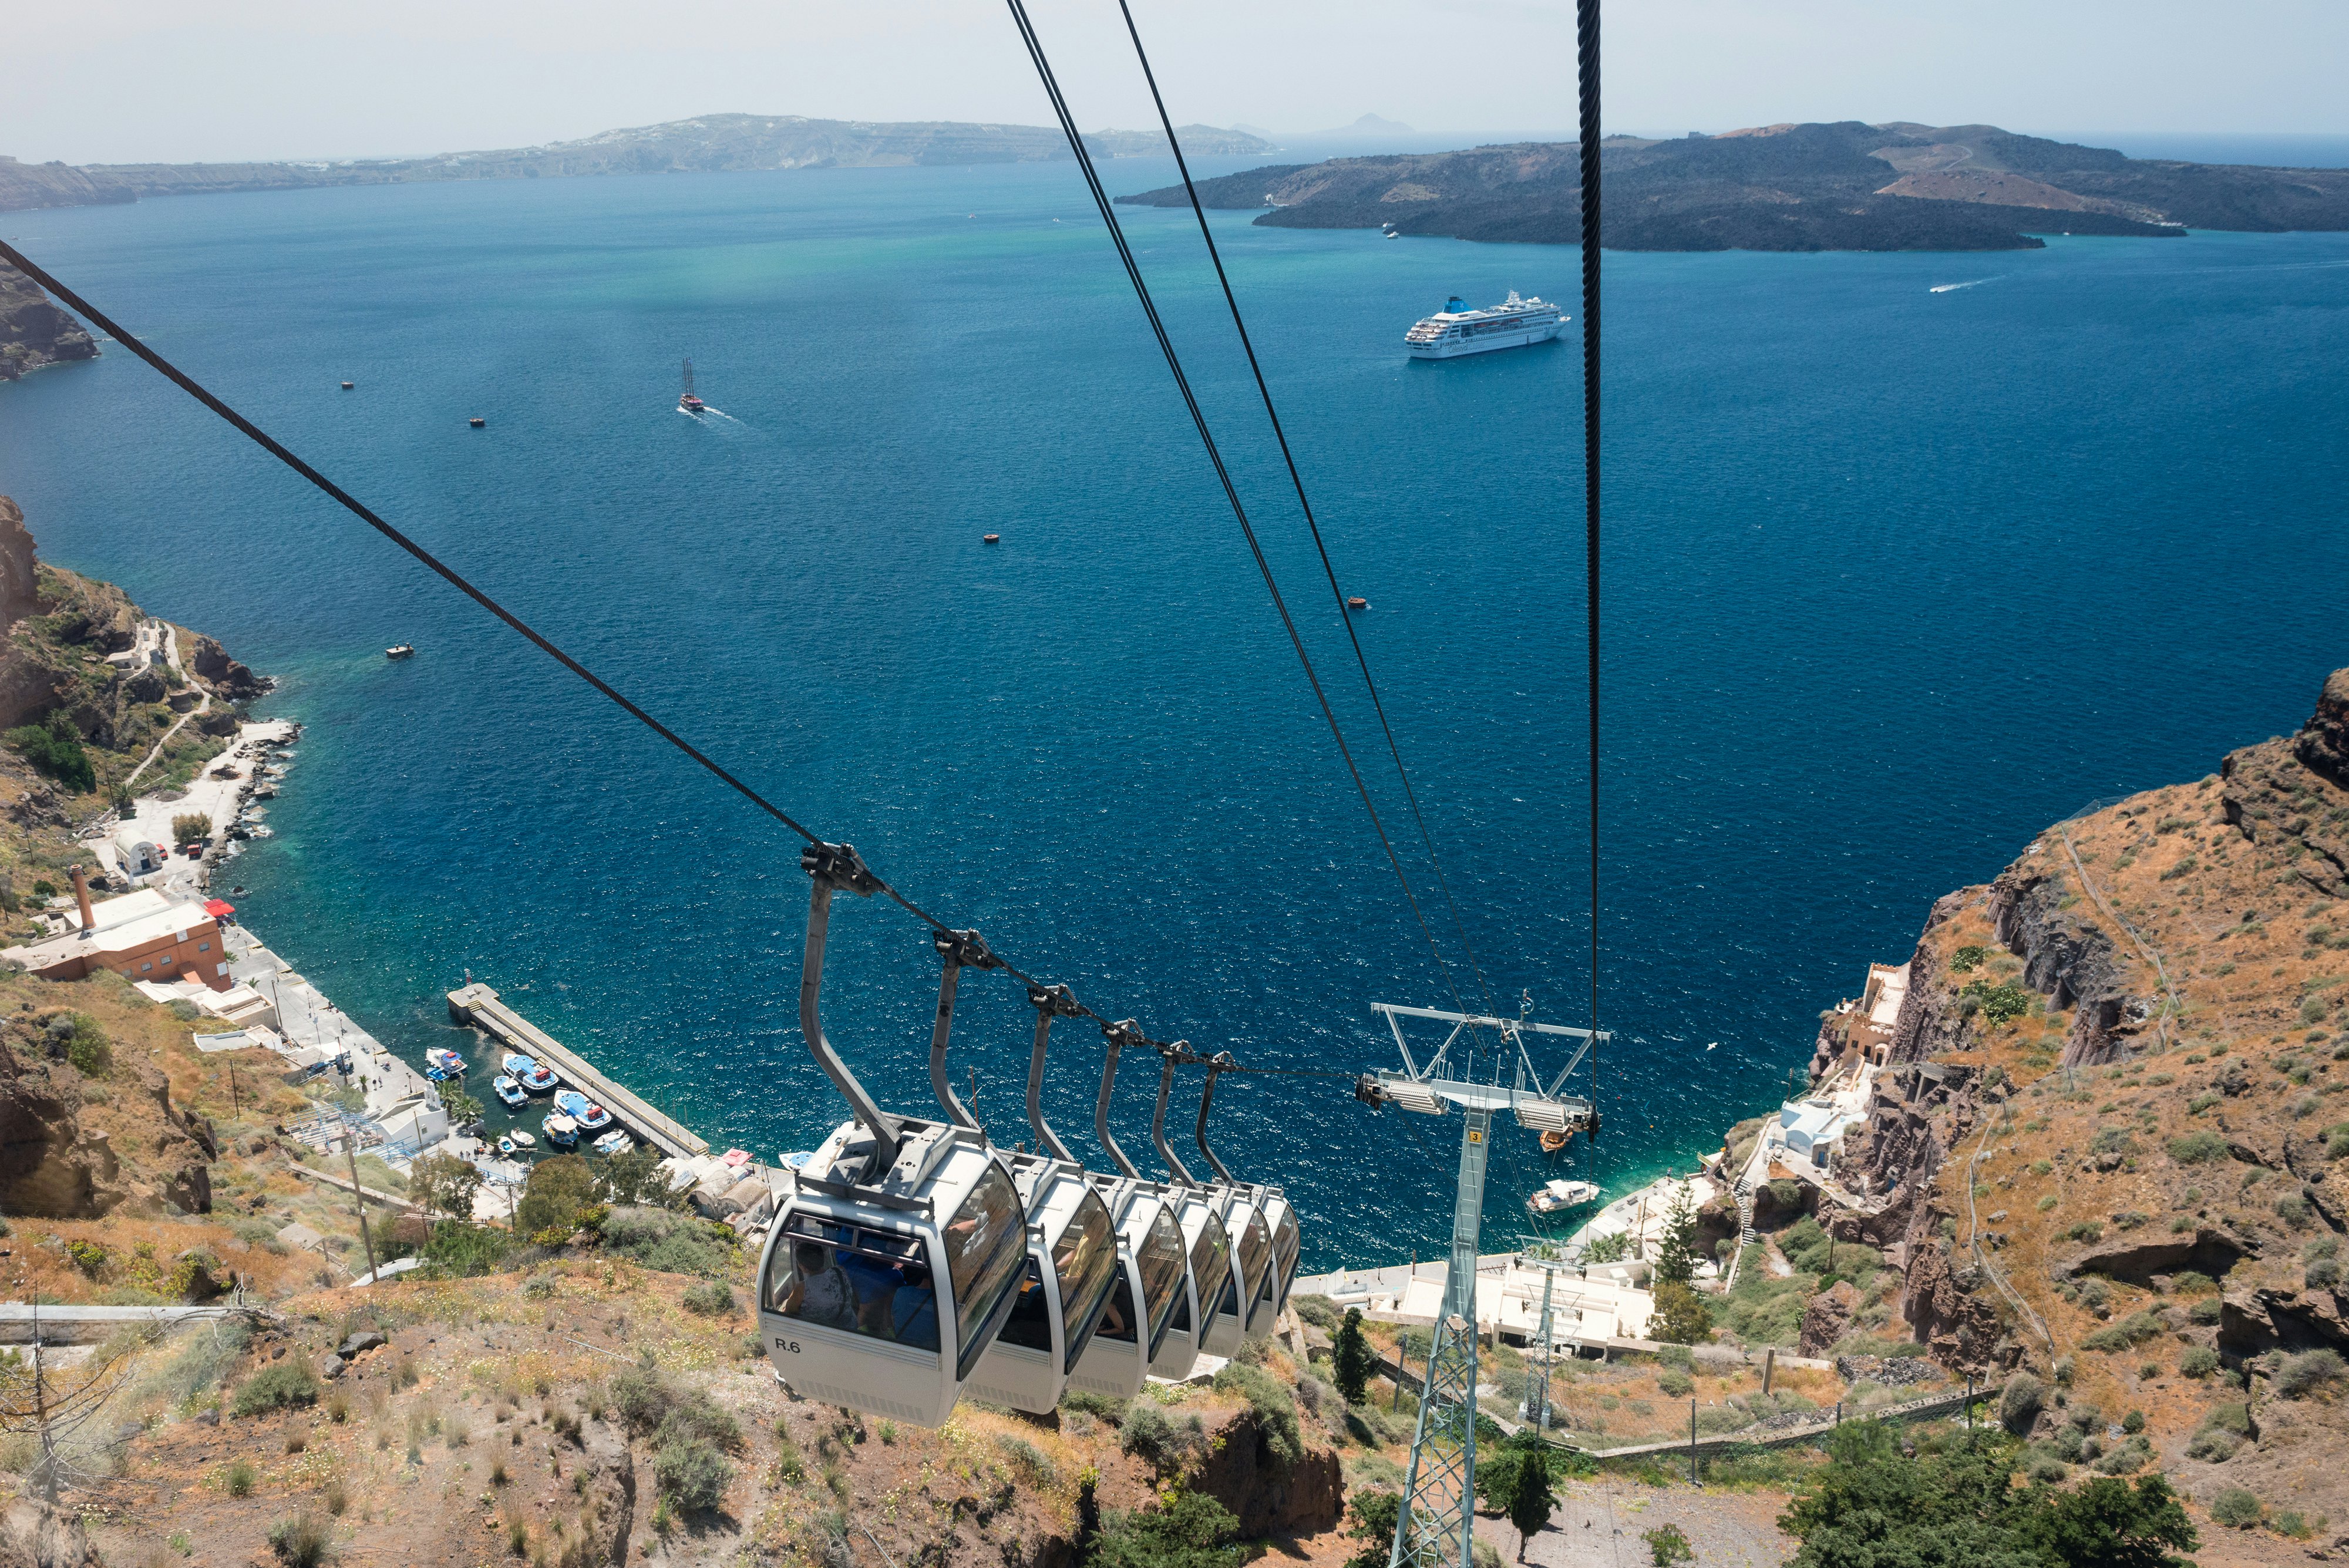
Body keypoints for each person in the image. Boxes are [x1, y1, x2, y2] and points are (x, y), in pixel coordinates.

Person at [788, 1241, 859, 1331]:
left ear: (803, 1267)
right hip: (850, 1328)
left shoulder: (802, 1288)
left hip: (823, 1333)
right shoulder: (840, 1271)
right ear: (823, 1257)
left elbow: (789, 1312)